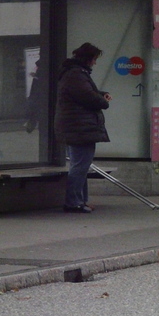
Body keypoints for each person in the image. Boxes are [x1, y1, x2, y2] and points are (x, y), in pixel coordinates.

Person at [54, 43, 111, 213]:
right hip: (79, 128)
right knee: (80, 166)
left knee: (81, 166)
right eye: (94, 59)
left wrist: (100, 94)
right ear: (87, 59)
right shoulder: (76, 75)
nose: (95, 63)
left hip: (78, 127)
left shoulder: (75, 73)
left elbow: (85, 93)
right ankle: (73, 202)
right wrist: (103, 101)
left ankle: (80, 200)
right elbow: (87, 97)